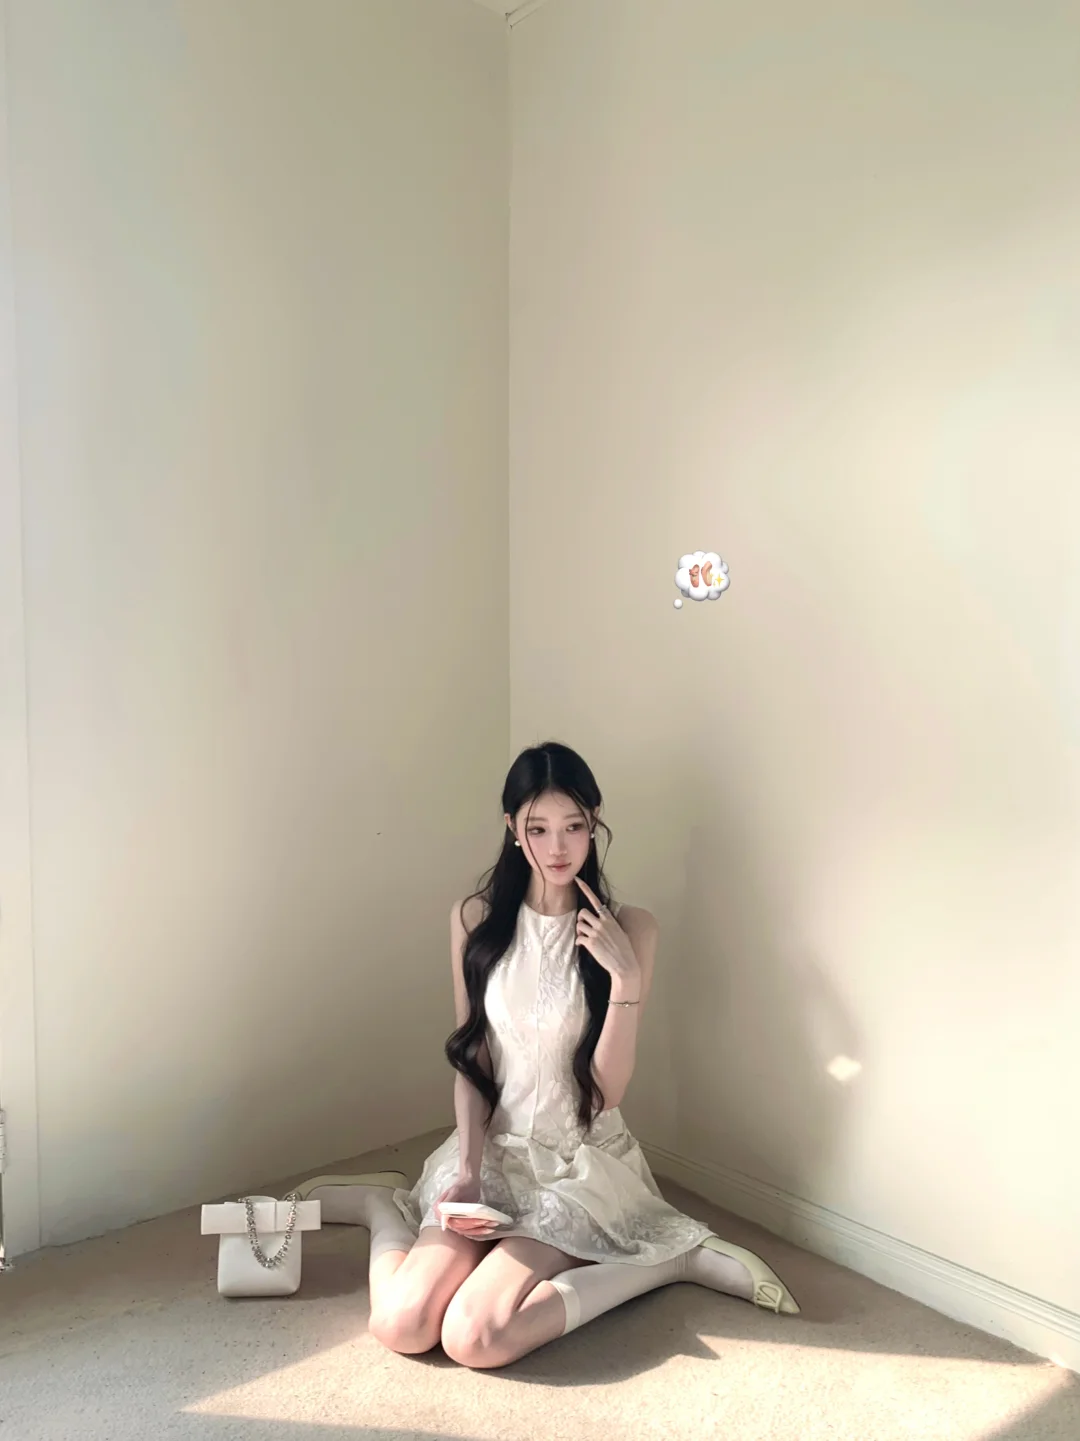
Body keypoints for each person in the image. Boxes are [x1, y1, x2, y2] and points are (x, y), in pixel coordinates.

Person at [297, 741, 799, 1368]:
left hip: (574, 1165)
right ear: (512, 828)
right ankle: (383, 1209)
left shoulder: (632, 929)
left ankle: (668, 1261)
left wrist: (626, 981)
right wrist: (469, 1169)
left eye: (573, 827)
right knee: (401, 1324)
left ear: (594, 822)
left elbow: (607, 1094)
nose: (557, 847)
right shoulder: (475, 920)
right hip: (493, 1152)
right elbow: (472, 1057)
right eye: (538, 829)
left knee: (476, 1339)